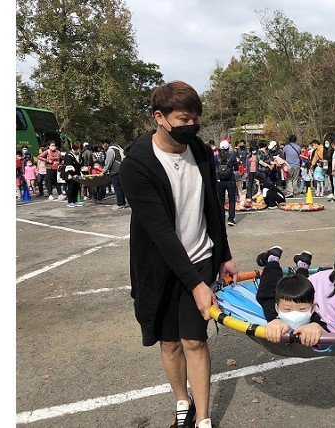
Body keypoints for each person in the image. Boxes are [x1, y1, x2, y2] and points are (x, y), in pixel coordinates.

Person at [119, 81, 238, 428]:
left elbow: (213, 206)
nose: (192, 125)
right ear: (160, 117)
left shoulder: (199, 150)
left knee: (194, 341)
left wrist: (224, 254)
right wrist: (196, 286)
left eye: (196, 118)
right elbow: (160, 232)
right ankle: (182, 401)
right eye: (184, 119)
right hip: (159, 267)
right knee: (170, 343)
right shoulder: (137, 165)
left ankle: (203, 418)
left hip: (200, 258)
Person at [254, 247, 327, 346]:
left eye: (302, 309)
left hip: (296, 300)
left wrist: (317, 326)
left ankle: (303, 264)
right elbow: (272, 320)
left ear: (313, 308)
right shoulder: (273, 310)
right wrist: (274, 321)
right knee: (266, 292)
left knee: (302, 289)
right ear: (277, 308)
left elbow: (325, 327)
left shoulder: (315, 315)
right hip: (274, 300)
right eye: (287, 309)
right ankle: (273, 259)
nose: (295, 314)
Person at [215, 140, 239, 226]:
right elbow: (236, 168)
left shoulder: (216, 157)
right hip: (230, 180)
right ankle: (231, 219)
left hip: (219, 181)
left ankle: (221, 218)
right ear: (228, 148)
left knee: (220, 200)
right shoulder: (232, 157)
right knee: (232, 199)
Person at [101, 137, 127, 210]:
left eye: (102, 144)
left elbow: (108, 162)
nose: (102, 146)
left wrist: (104, 171)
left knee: (117, 188)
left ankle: (120, 204)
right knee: (121, 188)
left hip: (115, 171)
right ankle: (122, 202)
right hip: (122, 169)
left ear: (105, 143)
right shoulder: (117, 147)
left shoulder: (110, 150)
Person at [62, 142, 84, 207]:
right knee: (71, 188)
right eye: (79, 149)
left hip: (77, 174)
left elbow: (81, 163)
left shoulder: (79, 155)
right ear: (75, 148)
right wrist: (72, 174)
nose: (79, 150)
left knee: (77, 187)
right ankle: (70, 202)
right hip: (70, 174)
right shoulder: (69, 155)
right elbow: (69, 166)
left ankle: (75, 201)